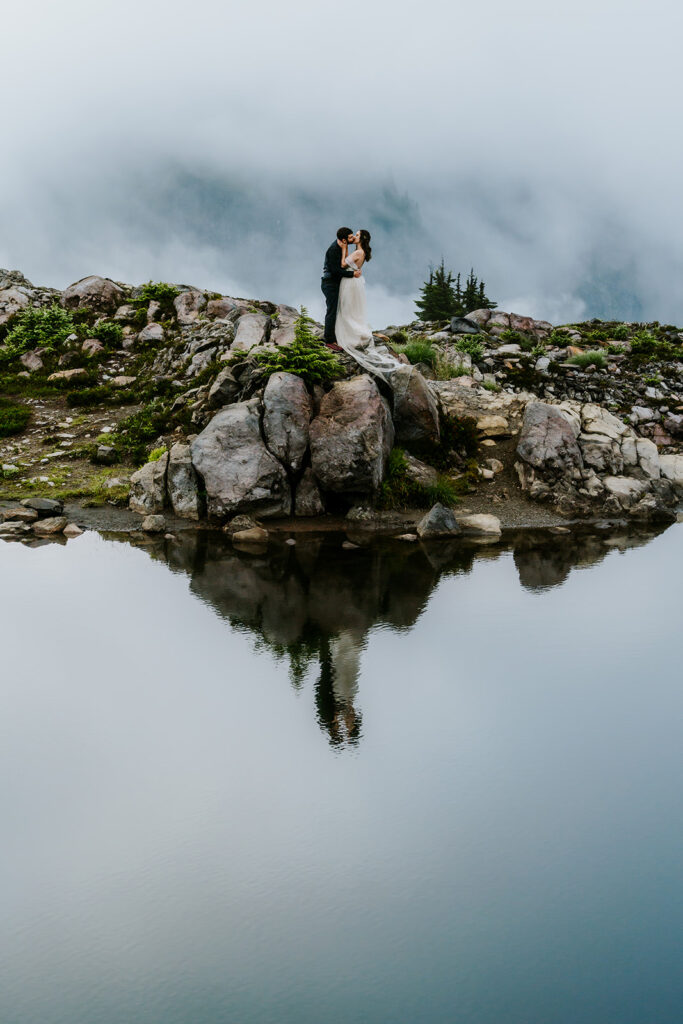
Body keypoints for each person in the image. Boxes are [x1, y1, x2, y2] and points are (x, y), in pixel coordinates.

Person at [335, 228, 404, 382]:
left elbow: (342, 265)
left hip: (350, 282)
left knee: (347, 310)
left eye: (357, 235)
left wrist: (344, 247)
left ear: (362, 239)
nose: (355, 237)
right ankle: (354, 334)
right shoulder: (362, 253)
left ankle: (350, 336)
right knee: (351, 310)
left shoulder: (358, 252)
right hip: (355, 282)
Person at [321, 227, 360, 350]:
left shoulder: (342, 246)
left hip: (335, 283)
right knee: (332, 310)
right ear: (343, 240)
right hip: (330, 284)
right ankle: (329, 340)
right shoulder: (333, 250)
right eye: (350, 237)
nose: (352, 238)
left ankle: (337, 336)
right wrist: (351, 274)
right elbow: (336, 271)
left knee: (338, 310)